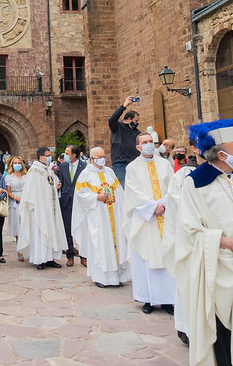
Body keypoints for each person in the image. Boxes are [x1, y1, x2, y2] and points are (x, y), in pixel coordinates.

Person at [176, 118, 233, 366]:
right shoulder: (196, 183)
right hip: (218, 271)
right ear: (220, 154)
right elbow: (189, 231)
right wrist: (226, 242)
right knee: (225, 336)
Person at [123, 132, 176, 314]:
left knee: (166, 254)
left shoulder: (164, 164)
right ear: (138, 147)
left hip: (165, 215)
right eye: (144, 142)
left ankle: (169, 300)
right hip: (145, 219)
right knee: (146, 256)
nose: (148, 145)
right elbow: (132, 191)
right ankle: (148, 299)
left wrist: (164, 204)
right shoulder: (132, 168)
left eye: (150, 142)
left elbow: (173, 187)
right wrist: (152, 207)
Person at [72, 146, 130, 288]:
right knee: (101, 244)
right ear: (92, 159)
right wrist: (96, 197)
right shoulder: (86, 174)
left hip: (114, 215)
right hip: (98, 217)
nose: (102, 159)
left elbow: (119, 191)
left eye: (103, 155)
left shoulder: (110, 172)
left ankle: (116, 277)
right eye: (98, 156)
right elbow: (80, 195)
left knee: (115, 243)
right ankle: (101, 278)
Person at [164, 139, 203, 345]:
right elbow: (178, 201)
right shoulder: (183, 175)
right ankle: (186, 327)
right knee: (190, 280)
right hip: (193, 237)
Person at [18, 146, 68, 270]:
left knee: (52, 230)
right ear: (41, 157)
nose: (50, 157)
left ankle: (50, 258)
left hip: (50, 208)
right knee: (41, 232)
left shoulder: (48, 170)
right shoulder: (34, 170)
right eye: (48, 155)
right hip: (39, 207)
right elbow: (30, 190)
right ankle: (40, 259)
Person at [57, 144, 87, 267]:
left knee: (82, 229)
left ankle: (84, 256)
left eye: (67, 153)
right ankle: (70, 255)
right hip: (66, 201)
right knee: (67, 229)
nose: (65, 155)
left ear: (74, 155)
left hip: (80, 202)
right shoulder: (63, 166)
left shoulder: (85, 167)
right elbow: (62, 181)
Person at [108, 96, 141, 186]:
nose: (137, 123)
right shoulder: (118, 127)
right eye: (135, 120)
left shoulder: (137, 132)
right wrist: (124, 106)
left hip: (135, 163)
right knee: (121, 187)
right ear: (129, 119)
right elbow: (112, 119)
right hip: (121, 163)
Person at [6, 156, 26, 261]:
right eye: (15, 163)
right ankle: (20, 250)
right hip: (15, 202)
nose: (17, 164)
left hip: (26, 201)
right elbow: (8, 192)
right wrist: (16, 197)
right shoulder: (9, 177)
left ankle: (28, 248)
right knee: (18, 226)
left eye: (19, 162)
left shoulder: (26, 176)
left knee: (26, 225)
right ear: (12, 165)